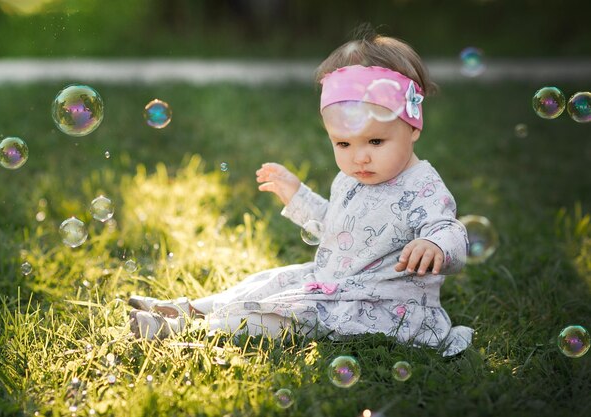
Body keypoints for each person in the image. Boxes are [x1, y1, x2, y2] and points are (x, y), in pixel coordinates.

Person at [128, 30, 473, 356]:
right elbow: (339, 233)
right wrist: (298, 196)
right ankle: (186, 309)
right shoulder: (352, 177)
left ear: (412, 127)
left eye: (376, 141)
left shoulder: (421, 186)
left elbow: (451, 231)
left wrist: (436, 245)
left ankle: (184, 330)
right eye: (343, 143)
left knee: (286, 316)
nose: (360, 156)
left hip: (380, 306)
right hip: (334, 285)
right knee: (268, 282)